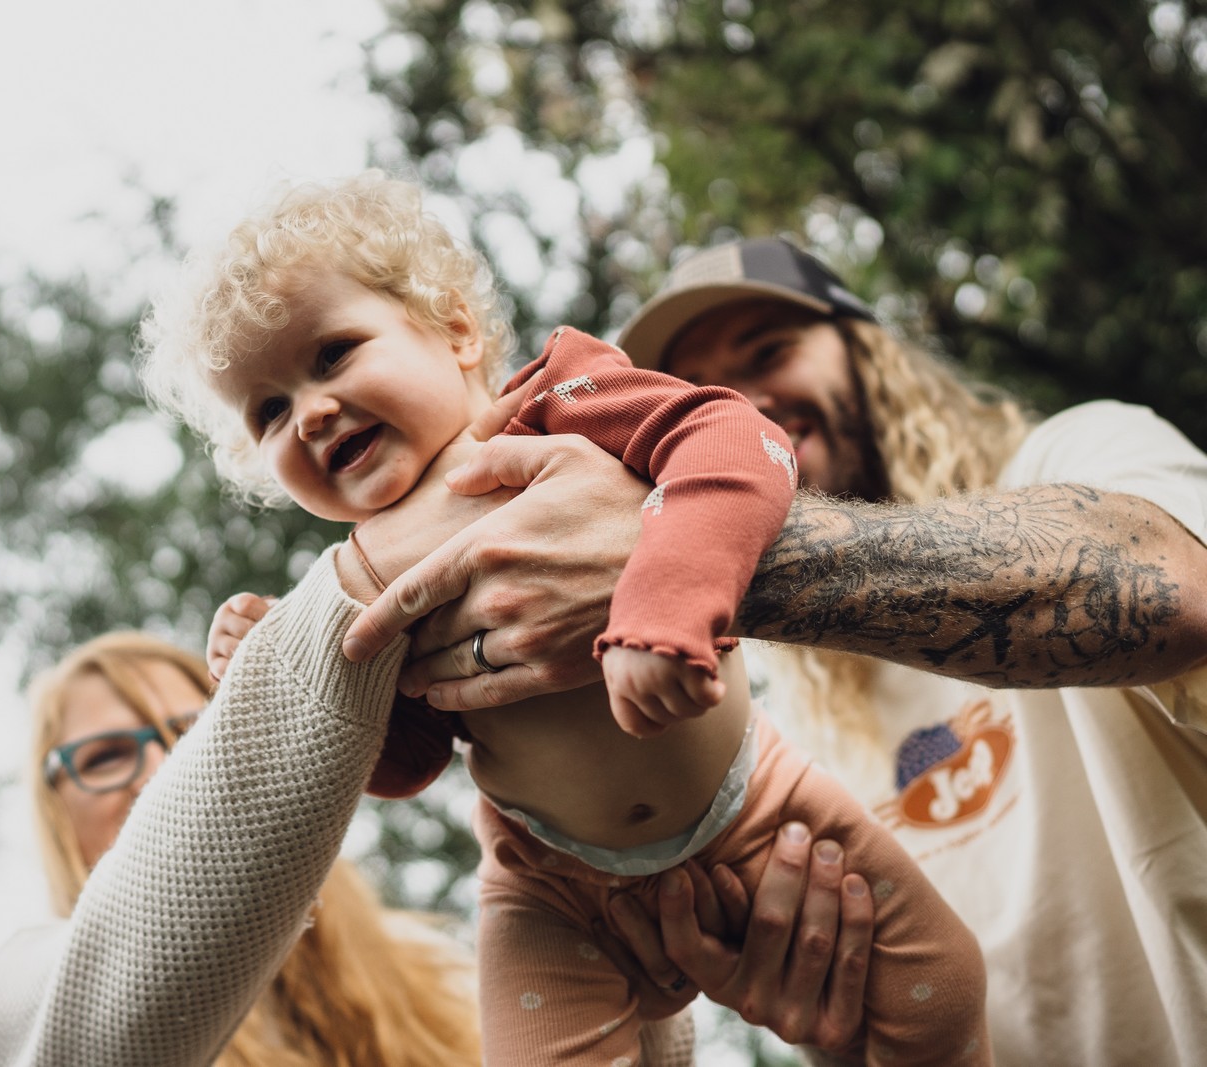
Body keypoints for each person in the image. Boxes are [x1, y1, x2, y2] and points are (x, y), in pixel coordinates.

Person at [142, 174, 989, 1066]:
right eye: (269, 411)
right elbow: (411, 757)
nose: (309, 413)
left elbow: (737, 440)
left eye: (333, 354)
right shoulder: (369, 580)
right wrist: (292, 682)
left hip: (757, 807)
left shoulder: (562, 402)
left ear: (456, 329)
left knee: (943, 986)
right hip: (550, 885)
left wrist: (662, 607)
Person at [343, 236, 1207, 1066]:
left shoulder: (1082, 452)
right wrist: (832, 1035)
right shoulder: (763, 708)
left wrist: (672, 558)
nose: (746, 400)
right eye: (708, 386)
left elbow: (1173, 585)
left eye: (771, 348)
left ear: (868, 350)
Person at [0, 625, 489, 1066]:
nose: (159, 772)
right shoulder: (8, 1012)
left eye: (193, 733)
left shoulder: (443, 976)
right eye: (106, 757)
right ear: (55, 812)